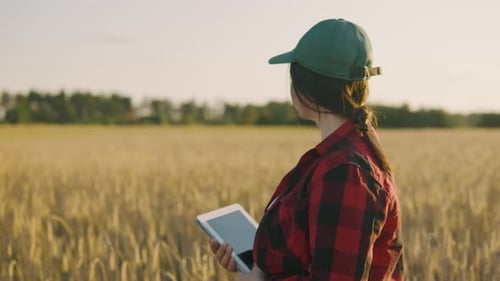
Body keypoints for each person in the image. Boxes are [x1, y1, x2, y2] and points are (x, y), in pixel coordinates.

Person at [209, 18, 404, 281]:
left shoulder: (345, 172)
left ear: (305, 87)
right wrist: (257, 259)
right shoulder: (340, 157)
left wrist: (259, 279)